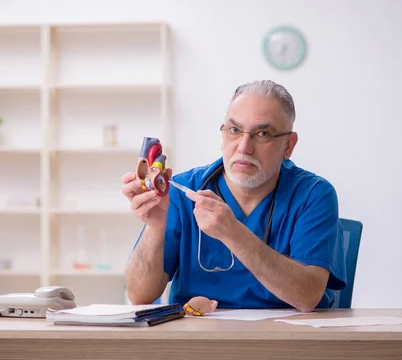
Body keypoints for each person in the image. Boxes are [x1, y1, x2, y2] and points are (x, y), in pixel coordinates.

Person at [121, 80, 346, 312]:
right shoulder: (185, 189)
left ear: (288, 145)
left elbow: (307, 296)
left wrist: (233, 233)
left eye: (263, 133)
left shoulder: (313, 194)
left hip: (287, 341)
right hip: (199, 340)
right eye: (235, 130)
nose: (243, 147)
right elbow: (139, 295)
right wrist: (156, 228)